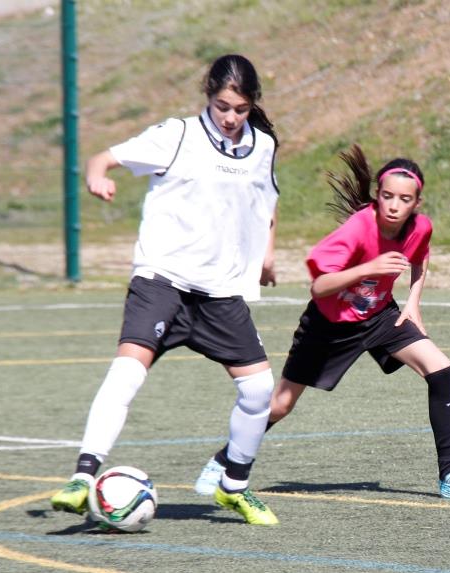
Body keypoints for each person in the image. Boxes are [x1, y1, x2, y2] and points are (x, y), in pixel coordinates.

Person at [193, 144, 450, 498]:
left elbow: (421, 254)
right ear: (377, 196)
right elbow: (319, 286)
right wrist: (370, 267)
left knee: (440, 368)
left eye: (404, 199)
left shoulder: (420, 227)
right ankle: (224, 461)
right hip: (328, 326)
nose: (394, 205)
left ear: (416, 203)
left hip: (379, 315)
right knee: (280, 405)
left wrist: (414, 301)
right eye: (387, 196)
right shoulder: (357, 229)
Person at [50, 54, 281, 525]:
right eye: (221, 106)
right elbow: (104, 157)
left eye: (240, 108)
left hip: (219, 291)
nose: (231, 117)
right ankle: (82, 476)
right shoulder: (177, 136)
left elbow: (267, 204)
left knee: (259, 389)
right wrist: (98, 175)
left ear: (252, 104)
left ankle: (233, 486)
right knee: (127, 373)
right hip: (163, 280)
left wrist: (267, 255)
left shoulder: (262, 146)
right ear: (207, 97)